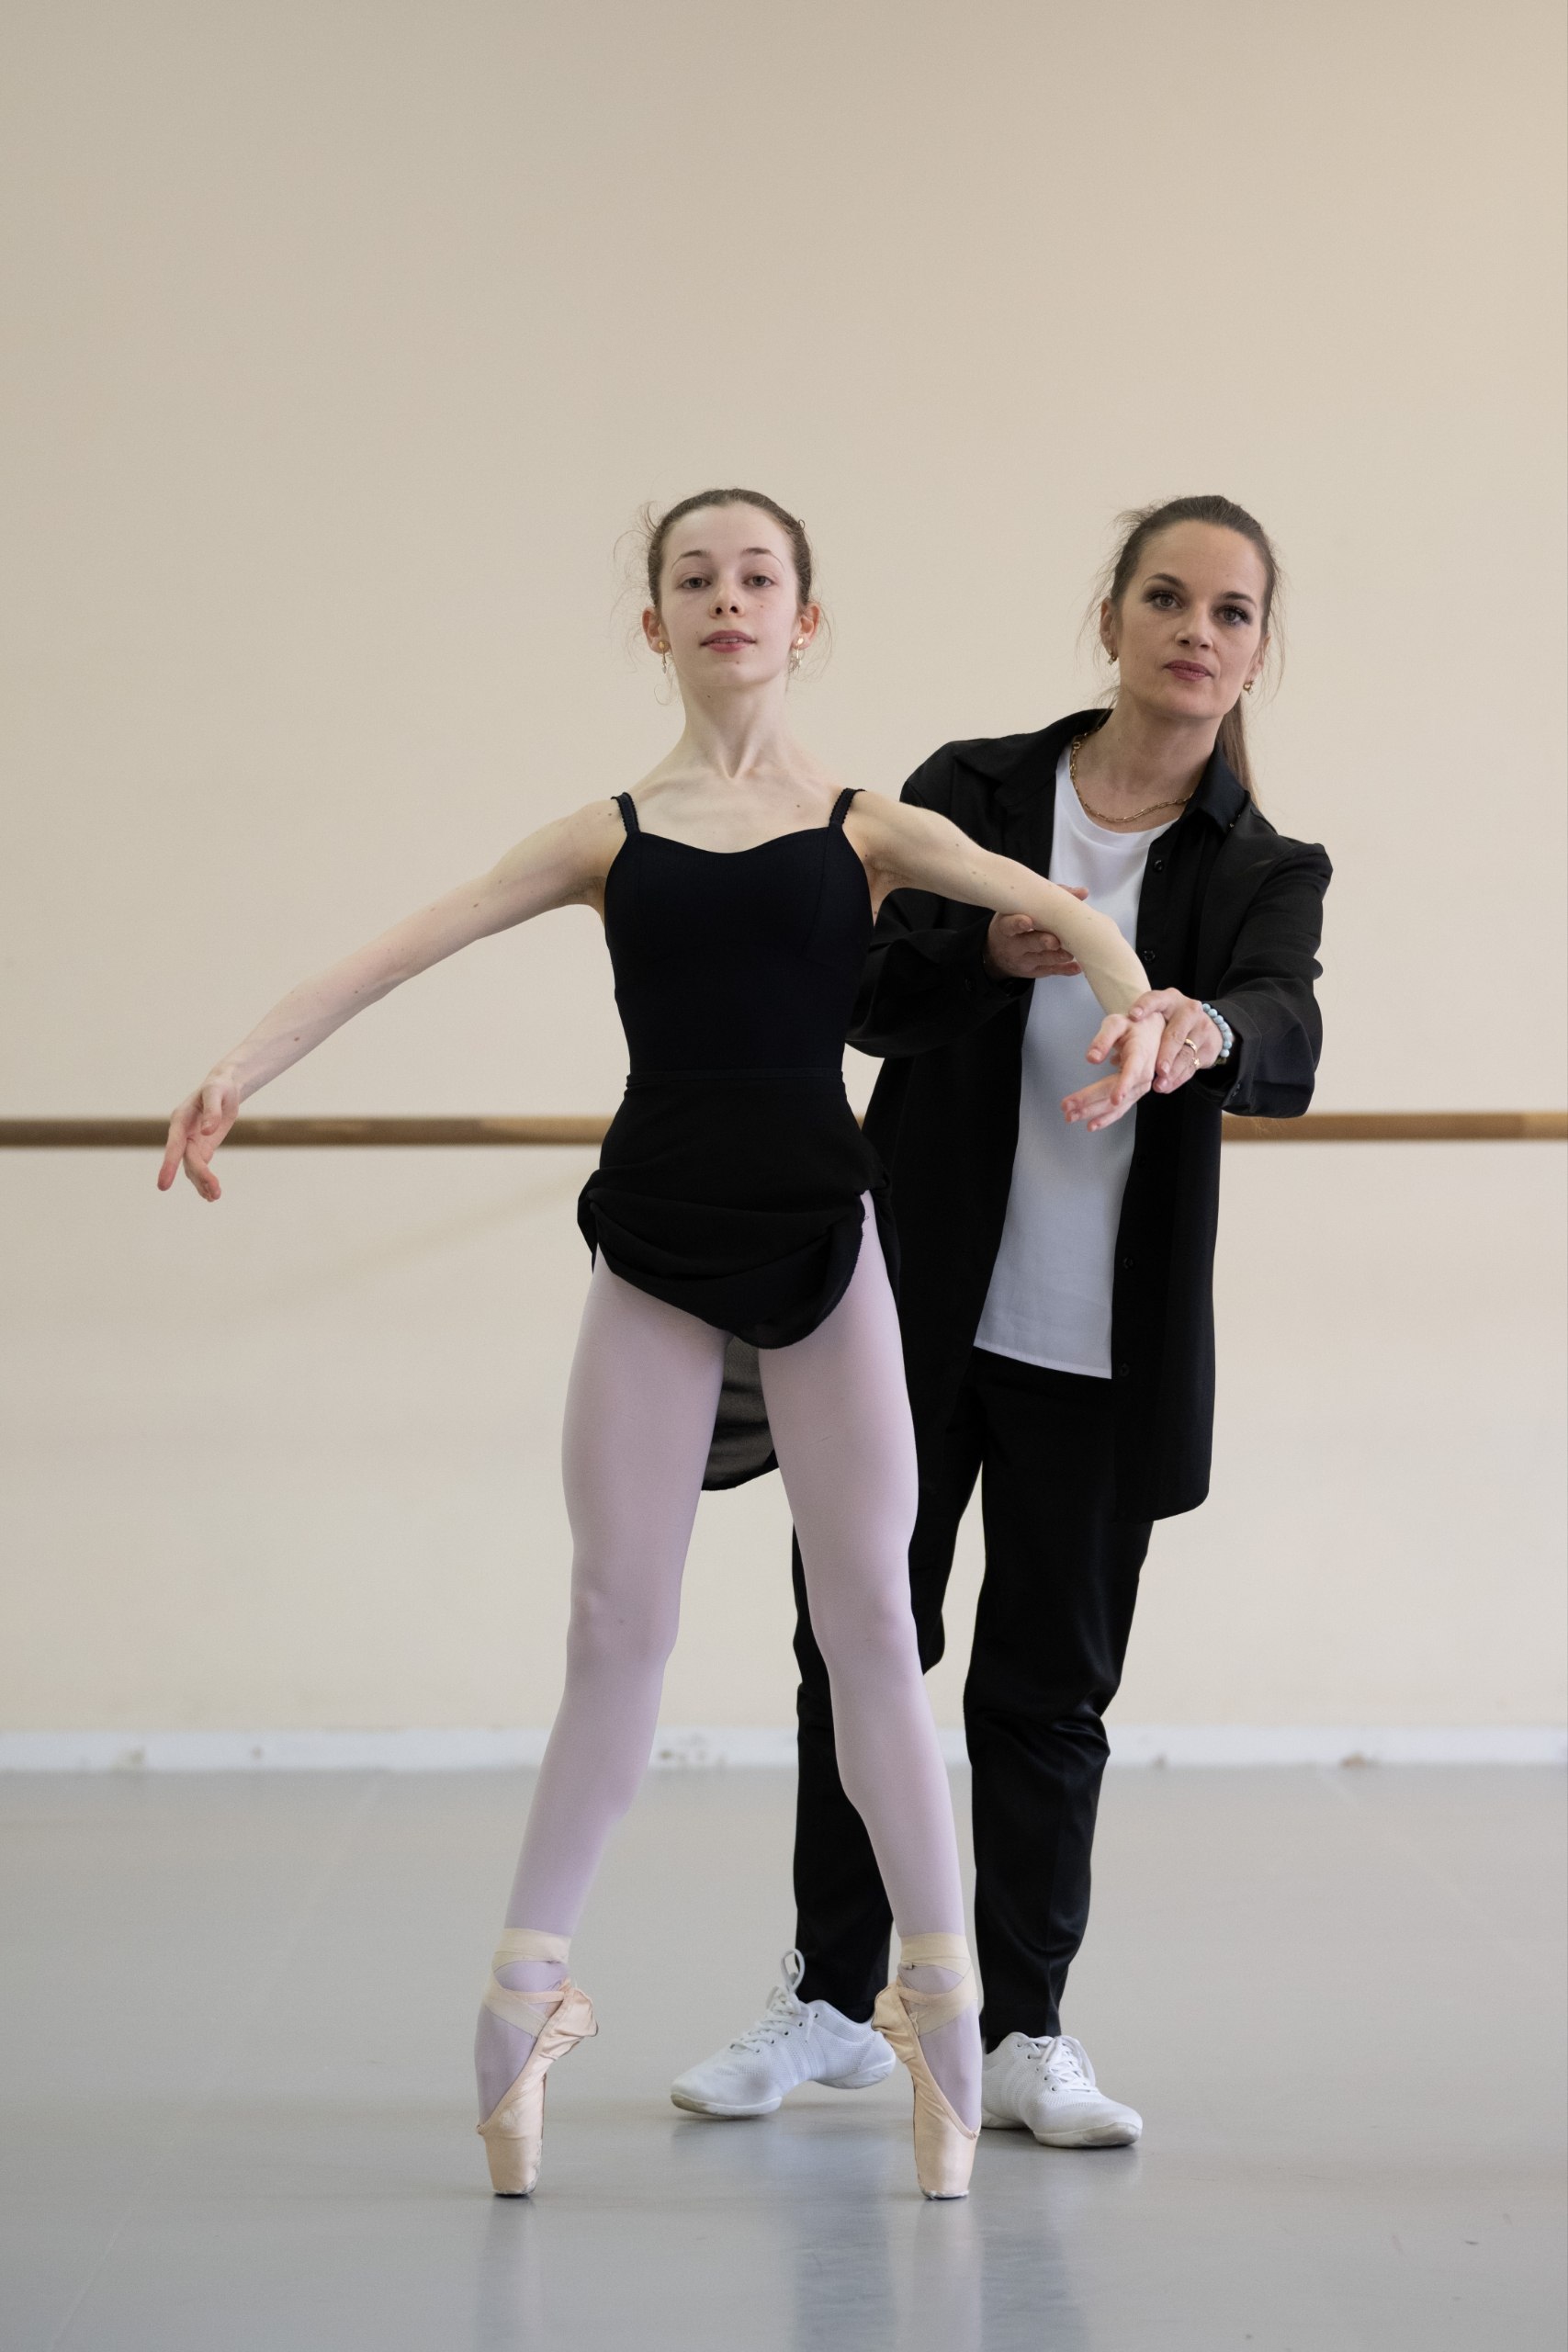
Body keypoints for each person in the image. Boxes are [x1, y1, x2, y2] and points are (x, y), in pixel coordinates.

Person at [158, 488, 1168, 2202]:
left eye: (758, 576)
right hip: (653, 1243)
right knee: (615, 1632)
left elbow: (1063, 913)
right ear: (656, 625)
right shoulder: (607, 835)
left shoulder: (867, 822)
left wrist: (1133, 1012)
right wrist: (238, 1067)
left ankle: (938, 2009)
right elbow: (403, 947)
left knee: (872, 1627)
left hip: (827, 1242)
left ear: (804, 620)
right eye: (693, 578)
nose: (727, 599)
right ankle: (518, 2012)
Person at [671, 493, 1332, 2154]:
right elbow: (861, 994)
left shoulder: (1262, 866)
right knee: (858, 1652)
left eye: (1231, 612)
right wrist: (989, 954)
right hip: (904, 1319)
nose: (1196, 632)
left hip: (1102, 1348)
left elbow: (1286, 1030)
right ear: (1112, 618)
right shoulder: (967, 793)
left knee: (1048, 1695)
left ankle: (1027, 2031)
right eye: (1166, 598)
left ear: (1259, 650)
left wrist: (1199, 1033)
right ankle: (832, 2004)